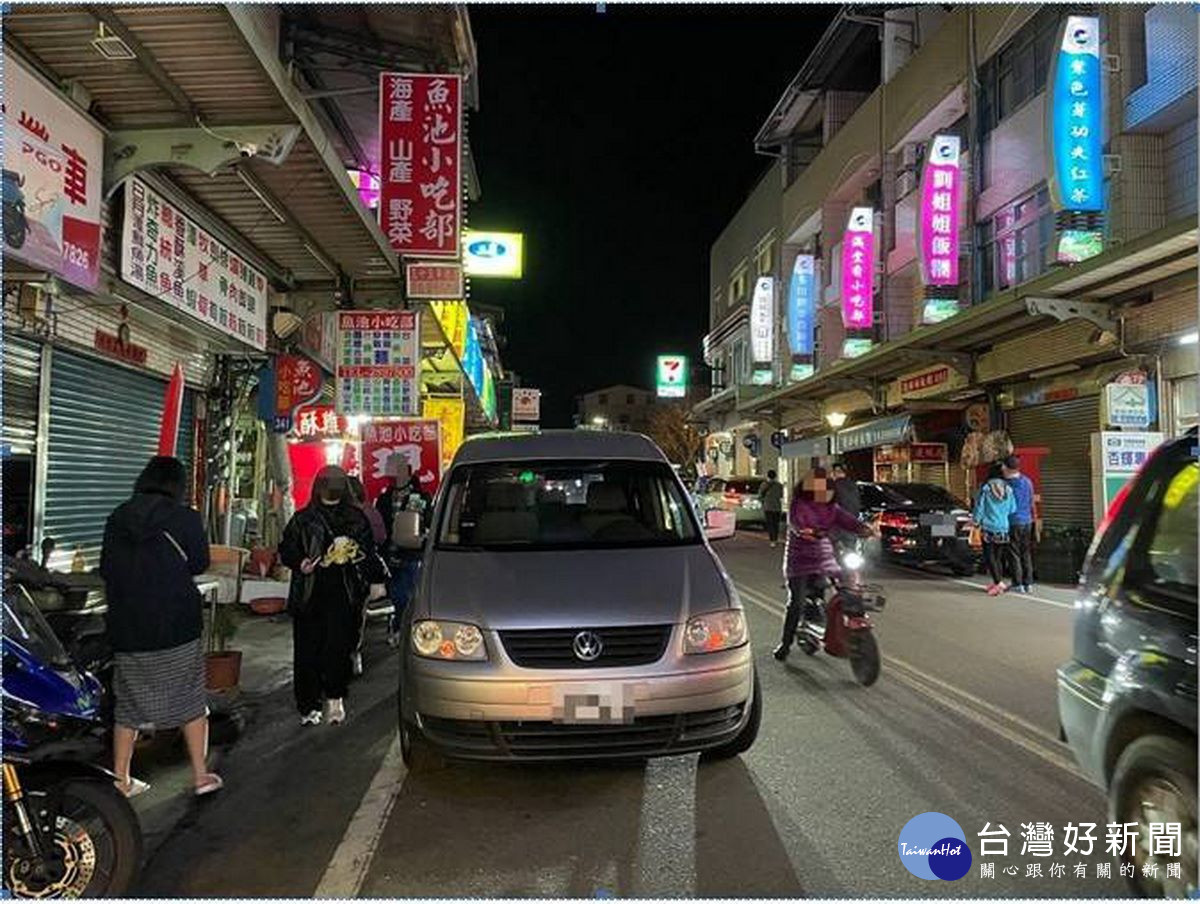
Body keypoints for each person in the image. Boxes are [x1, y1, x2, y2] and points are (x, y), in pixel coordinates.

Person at [100, 456, 222, 798]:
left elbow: (106, 567)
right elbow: (199, 563)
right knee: (190, 700)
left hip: (129, 627)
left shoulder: (118, 517)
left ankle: (121, 780)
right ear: (177, 485)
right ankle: (200, 776)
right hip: (176, 624)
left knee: (128, 705)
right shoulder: (185, 518)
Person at [279, 466, 386, 726]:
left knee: (336, 648)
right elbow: (287, 548)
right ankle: (310, 704)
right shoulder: (304, 519)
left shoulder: (354, 519)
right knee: (309, 651)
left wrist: (374, 578)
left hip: (343, 592)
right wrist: (301, 562)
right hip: (311, 592)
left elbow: (368, 552)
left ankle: (333, 697)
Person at [774, 467, 875, 661]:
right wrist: (805, 530)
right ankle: (785, 644)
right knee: (796, 603)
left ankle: (848, 623)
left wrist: (864, 529)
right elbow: (796, 522)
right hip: (800, 560)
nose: (824, 492)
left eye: (827, 488)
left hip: (825, 556)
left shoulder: (832, 508)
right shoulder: (799, 504)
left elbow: (847, 520)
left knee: (849, 587)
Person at [347, 476, 387, 677]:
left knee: (353, 615)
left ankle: (352, 653)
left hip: (358, 574)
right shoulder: (365, 513)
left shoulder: (367, 514)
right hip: (349, 574)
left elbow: (377, 540)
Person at [973, 463, 1018, 596]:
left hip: (988, 527)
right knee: (997, 557)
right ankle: (996, 581)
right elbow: (1013, 509)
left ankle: (998, 583)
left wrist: (976, 521)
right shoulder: (1008, 489)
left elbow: (980, 507)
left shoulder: (986, 488)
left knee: (989, 557)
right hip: (1003, 527)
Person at [1002, 455, 1036, 593]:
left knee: (1014, 552)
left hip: (1013, 521)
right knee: (1025, 552)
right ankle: (1028, 583)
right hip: (1027, 521)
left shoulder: (1006, 484)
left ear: (1006, 468)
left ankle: (1017, 583)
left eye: (1003, 466)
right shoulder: (1027, 481)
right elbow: (1031, 501)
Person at [830, 460, 863, 555]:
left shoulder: (833, 486)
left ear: (835, 472)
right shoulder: (854, 486)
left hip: (837, 529)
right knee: (850, 552)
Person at [759, 470, 785, 547]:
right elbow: (781, 495)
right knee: (776, 524)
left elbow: (760, 494)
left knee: (770, 524)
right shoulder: (779, 485)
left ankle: (772, 540)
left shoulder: (764, 485)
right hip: (777, 507)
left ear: (768, 476)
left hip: (768, 507)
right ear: (775, 476)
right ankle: (775, 539)